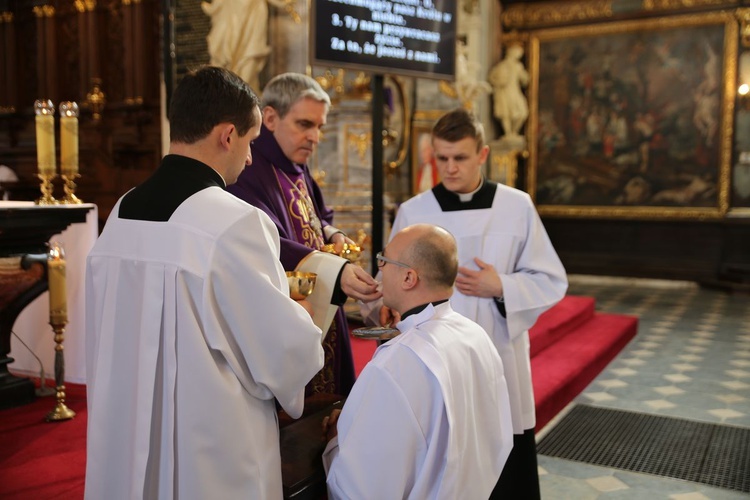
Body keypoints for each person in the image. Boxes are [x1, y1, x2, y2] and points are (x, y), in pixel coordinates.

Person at [84, 66, 325, 499]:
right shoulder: (235, 222)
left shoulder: (121, 213)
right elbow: (282, 352)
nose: (251, 158)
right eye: (250, 142)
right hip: (210, 447)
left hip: (127, 425)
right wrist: (302, 318)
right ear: (227, 135)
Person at [361, 108, 568, 499]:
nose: (450, 168)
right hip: (432, 359)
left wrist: (502, 285)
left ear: (483, 155)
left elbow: (551, 279)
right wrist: (382, 304)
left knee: (503, 453)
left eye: (460, 158)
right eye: (442, 158)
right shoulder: (414, 211)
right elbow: (390, 276)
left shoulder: (517, 205)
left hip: (497, 353)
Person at [323, 223, 513, 499]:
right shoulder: (475, 335)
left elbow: (359, 487)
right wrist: (356, 420)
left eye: (383, 261)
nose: (380, 269)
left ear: (409, 278)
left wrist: (337, 440)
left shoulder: (397, 362)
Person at [227, 72, 381, 397]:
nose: (315, 137)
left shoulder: (293, 162)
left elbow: (317, 215)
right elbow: (261, 239)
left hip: (321, 298)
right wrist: (335, 270)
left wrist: (333, 232)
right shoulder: (247, 168)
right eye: (304, 124)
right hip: (291, 307)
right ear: (270, 117)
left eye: (319, 126)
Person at [488, 43, 530, 138]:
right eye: (518, 52)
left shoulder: (518, 66)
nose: (519, 55)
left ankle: (513, 133)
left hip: (515, 91)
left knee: (523, 113)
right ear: (511, 52)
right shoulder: (502, 65)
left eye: (520, 53)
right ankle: (508, 133)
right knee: (505, 113)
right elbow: (492, 77)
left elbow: (524, 79)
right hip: (505, 92)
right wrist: (499, 82)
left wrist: (526, 77)